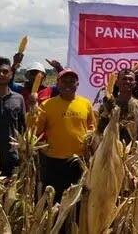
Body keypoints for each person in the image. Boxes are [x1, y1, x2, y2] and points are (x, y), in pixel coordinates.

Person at [36, 69, 96, 202]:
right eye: (64, 81)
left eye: (72, 81)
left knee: (77, 200)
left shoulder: (85, 104)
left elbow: (92, 128)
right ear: (57, 83)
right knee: (55, 199)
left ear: (77, 84)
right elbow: (36, 132)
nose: (68, 84)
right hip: (54, 161)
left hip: (79, 161)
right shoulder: (47, 105)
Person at [97, 69, 138, 144]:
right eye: (124, 79)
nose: (127, 81)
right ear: (117, 83)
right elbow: (100, 130)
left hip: (135, 152)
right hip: (111, 150)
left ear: (135, 83)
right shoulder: (107, 104)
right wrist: (107, 111)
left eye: (130, 79)